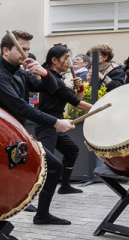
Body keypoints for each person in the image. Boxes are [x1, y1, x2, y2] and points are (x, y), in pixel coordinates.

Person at [0, 30, 74, 225]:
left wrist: (45, 73)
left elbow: (50, 88)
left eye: (28, 50)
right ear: (6, 50)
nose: (26, 54)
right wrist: (55, 122)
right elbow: (20, 107)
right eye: (22, 49)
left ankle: (42, 214)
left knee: (53, 167)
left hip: (14, 134)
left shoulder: (21, 73)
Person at [38, 45, 93, 195]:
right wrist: (101, 108)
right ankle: (34, 193)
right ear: (54, 60)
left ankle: (65, 186)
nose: (69, 62)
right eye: (66, 58)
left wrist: (80, 88)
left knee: (72, 151)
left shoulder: (56, 79)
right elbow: (78, 104)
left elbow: (76, 98)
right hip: (47, 123)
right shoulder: (52, 79)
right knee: (45, 161)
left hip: (57, 123)